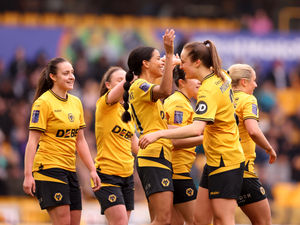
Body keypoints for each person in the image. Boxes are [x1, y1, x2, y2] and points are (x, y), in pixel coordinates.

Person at [139, 40, 246, 225]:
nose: (181, 65)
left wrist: (158, 134)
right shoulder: (221, 76)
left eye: (184, 61)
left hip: (226, 159)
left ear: (197, 62)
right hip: (213, 160)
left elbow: (197, 128)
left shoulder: (208, 90)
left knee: (223, 218)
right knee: (199, 220)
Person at [23, 57, 101, 225]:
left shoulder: (76, 102)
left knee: (75, 222)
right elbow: (32, 142)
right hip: (49, 168)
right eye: (66, 73)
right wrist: (28, 175)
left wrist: (92, 170)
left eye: (72, 72)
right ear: (53, 76)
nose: (71, 76)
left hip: (69, 169)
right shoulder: (43, 102)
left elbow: (80, 141)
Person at [122, 29, 175, 225]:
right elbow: (166, 89)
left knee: (158, 219)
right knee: (163, 219)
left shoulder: (147, 89)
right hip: (154, 156)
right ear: (145, 64)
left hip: (158, 155)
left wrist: (171, 62)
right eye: (157, 58)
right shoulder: (139, 86)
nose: (161, 61)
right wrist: (169, 54)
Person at [228, 64, 277, 225]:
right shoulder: (248, 99)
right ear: (243, 82)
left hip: (220, 167)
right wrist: (269, 148)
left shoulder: (222, 99)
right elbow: (253, 131)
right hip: (242, 169)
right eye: (253, 81)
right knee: (264, 222)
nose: (256, 85)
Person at [94, 66, 139, 225]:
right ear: (108, 85)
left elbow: (136, 148)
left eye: (125, 79)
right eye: (119, 80)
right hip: (107, 174)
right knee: (119, 222)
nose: (124, 82)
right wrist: (131, 76)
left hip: (127, 176)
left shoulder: (128, 111)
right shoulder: (104, 105)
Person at [164, 65, 201, 225]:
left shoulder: (185, 103)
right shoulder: (178, 103)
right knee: (198, 221)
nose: (200, 81)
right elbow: (175, 140)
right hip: (177, 172)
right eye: (194, 77)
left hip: (177, 171)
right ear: (181, 82)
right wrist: (207, 138)